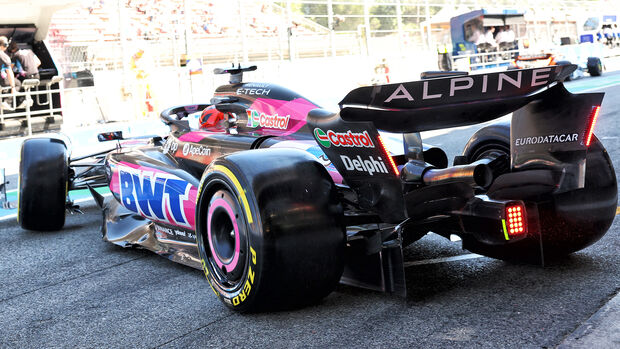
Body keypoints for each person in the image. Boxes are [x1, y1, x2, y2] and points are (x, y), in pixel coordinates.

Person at [0, 36, 19, 110]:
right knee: (18, 83)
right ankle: (7, 102)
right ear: (5, 45)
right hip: (1, 81)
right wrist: (13, 87)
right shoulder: (4, 56)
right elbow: (9, 72)